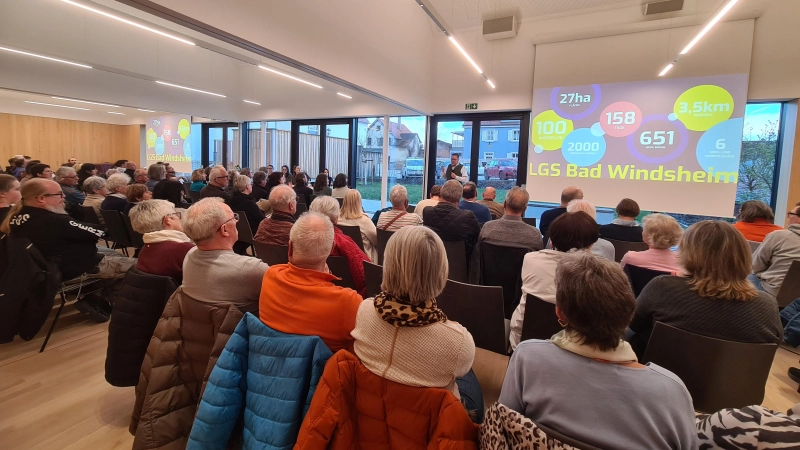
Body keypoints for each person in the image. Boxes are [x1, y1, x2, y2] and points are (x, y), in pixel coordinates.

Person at [499, 251, 698, 449]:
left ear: (560, 312)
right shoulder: (672, 392)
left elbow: (503, 427)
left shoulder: (528, 357)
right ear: (630, 312)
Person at [351, 226, 481, 420]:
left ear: (388, 265)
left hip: (372, 413)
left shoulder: (364, 310)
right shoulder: (459, 342)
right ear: (440, 270)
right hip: (427, 423)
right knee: (468, 374)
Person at [629, 221, 783, 357]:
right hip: (734, 388)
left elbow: (633, 325)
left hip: (660, 380)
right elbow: (771, 347)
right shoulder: (767, 305)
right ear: (744, 256)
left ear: (688, 253)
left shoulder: (664, 288)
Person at [1, 179, 135, 322]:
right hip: (72, 268)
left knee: (112, 256)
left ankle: (98, 298)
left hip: (44, 270)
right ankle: (119, 307)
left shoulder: (15, 218)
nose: (64, 197)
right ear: (41, 199)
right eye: (59, 194)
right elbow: (96, 232)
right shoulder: (53, 220)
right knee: (141, 268)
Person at [259, 212, 363, 352]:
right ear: (332, 248)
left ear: (290, 248)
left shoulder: (270, 276)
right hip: (322, 372)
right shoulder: (348, 301)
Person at [509, 211, 598, 350]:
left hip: (522, 341)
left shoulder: (531, 259)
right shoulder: (593, 273)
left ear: (552, 240)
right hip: (570, 349)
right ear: (589, 245)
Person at [181, 198, 269, 314]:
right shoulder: (251, 268)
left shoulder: (189, 255)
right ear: (224, 229)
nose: (237, 221)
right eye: (233, 218)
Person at [309, 196, 370, 295]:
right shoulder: (343, 242)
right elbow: (366, 275)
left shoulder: (302, 239)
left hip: (312, 292)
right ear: (336, 218)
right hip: (346, 295)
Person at [129, 200, 194, 283]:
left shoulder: (144, 250)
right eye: (176, 214)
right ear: (167, 220)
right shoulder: (186, 250)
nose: (179, 218)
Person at [750, 203, 800, 296]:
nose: (788, 217)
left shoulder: (779, 236)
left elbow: (755, 266)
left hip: (772, 292)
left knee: (738, 278)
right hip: (796, 299)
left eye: (790, 214)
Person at [423, 180, 481, 259]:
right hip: (461, 265)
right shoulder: (467, 216)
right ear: (459, 198)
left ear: (441, 193)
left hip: (433, 262)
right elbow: (479, 238)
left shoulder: (427, 212)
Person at [474, 187, 542, 253]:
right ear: (525, 209)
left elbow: (478, 256)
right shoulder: (535, 236)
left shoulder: (487, 228)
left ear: (504, 204)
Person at [226, 175, 265, 254]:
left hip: (235, 231)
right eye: (251, 184)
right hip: (251, 233)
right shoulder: (249, 203)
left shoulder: (230, 201)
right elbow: (262, 220)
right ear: (247, 186)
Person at [338, 189, 378, 262]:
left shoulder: (337, 219)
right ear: (359, 202)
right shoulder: (364, 220)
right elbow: (376, 241)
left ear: (345, 201)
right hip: (365, 260)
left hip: (343, 259)